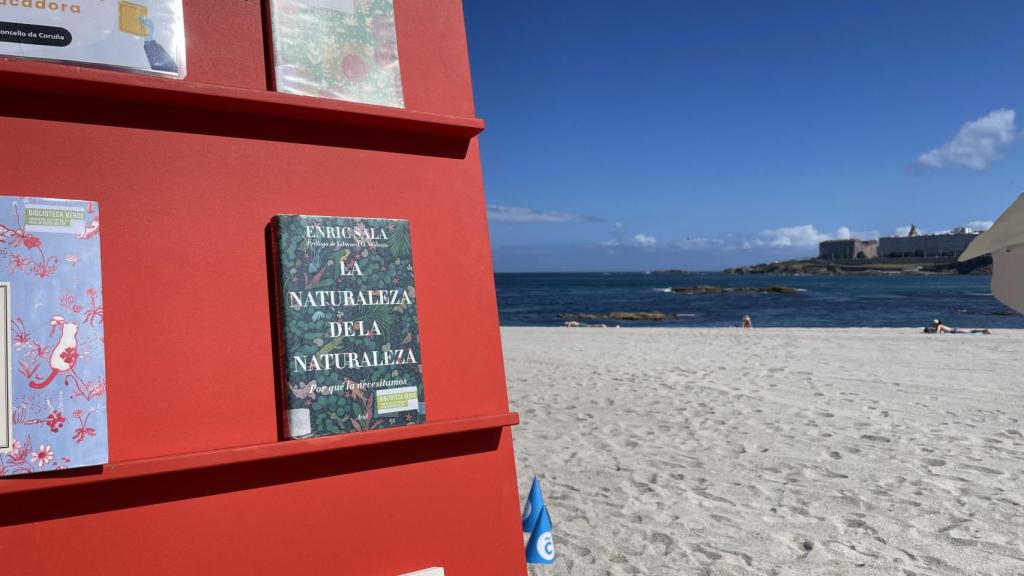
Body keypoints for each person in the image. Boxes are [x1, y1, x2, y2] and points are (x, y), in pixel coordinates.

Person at [925, 319, 990, 334]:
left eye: (933, 324)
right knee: (969, 331)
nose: (932, 325)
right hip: (954, 330)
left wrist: (930, 331)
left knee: (969, 332)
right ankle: (983, 330)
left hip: (955, 330)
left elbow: (937, 332)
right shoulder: (939, 325)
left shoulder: (939, 326)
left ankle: (983, 330)